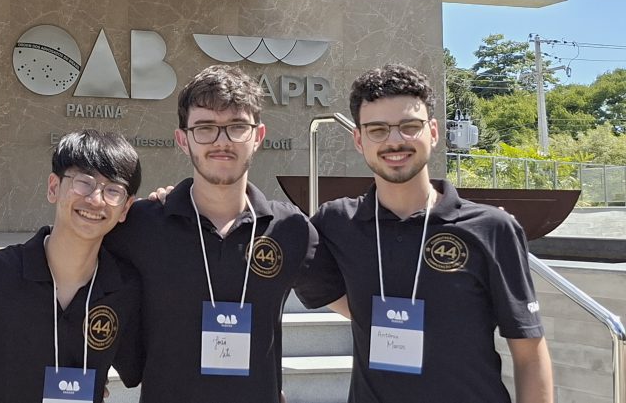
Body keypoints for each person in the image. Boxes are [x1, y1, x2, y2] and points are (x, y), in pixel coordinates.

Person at [294, 64, 553, 403]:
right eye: (378, 130)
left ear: (433, 131)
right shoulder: (336, 223)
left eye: (409, 127)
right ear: (359, 140)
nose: (395, 141)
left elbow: (529, 352)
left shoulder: (491, 228)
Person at [103, 65, 317, 403]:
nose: (221, 141)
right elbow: (73, 284)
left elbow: (358, 304)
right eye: (204, 128)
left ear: (258, 136)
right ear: (183, 140)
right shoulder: (139, 225)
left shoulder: (290, 229)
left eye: (236, 127)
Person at [0, 130, 143, 402]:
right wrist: (5, 372)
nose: (96, 199)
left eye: (113, 190)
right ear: (54, 187)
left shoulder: (124, 289)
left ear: (126, 208)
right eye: (83, 182)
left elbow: (136, 366)